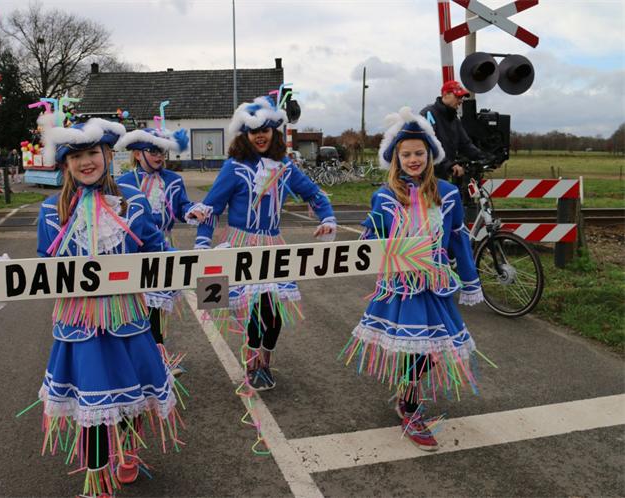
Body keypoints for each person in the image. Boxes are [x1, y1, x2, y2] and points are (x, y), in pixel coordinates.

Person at [35, 115, 182, 496]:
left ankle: (128, 452)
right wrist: (2, 277)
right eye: (76, 156)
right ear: (66, 164)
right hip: (80, 327)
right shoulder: (51, 211)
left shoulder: (133, 203)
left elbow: (155, 248)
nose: (86, 162)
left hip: (129, 321)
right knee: (94, 408)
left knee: (132, 396)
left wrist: (200, 264)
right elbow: (43, 267)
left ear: (107, 155)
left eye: (93, 153)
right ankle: (98, 478)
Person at [342, 107, 485, 451]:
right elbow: (374, 238)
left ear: (430, 155)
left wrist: (470, 280)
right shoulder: (385, 195)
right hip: (402, 287)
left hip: (435, 286)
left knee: (431, 350)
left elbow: (458, 239)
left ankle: (405, 397)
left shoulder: (448, 194)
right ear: (396, 159)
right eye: (405, 154)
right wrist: (367, 239)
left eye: (419, 153)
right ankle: (409, 407)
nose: (413, 159)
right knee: (417, 350)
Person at [194, 95, 337, 390]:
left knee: (273, 313)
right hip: (240, 245)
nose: (260, 136)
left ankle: (265, 361)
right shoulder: (234, 167)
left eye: (266, 130)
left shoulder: (285, 167)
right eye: (254, 131)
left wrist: (327, 219)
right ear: (245, 134)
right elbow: (210, 208)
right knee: (251, 309)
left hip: (272, 245)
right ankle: (252, 363)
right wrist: (202, 245)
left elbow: (314, 194)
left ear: (274, 132)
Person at [114, 125, 207, 372]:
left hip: (163, 247)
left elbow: (181, 206)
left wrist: (192, 211)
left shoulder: (173, 180)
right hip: (134, 250)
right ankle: (141, 359)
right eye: (153, 151)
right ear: (137, 154)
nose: (159, 156)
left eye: (162, 152)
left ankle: (157, 360)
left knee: (156, 307)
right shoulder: (123, 182)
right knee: (137, 306)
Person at [420, 80, 484, 181]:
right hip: (426, 177)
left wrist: (482, 157)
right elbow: (426, 146)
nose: (461, 101)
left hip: (443, 175)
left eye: (462, 98)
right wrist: (449, 165)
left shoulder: (454, 119)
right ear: (445, 95)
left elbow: (465, 144)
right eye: (458, 97)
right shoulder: (428, 114)